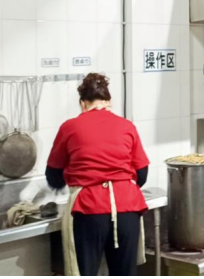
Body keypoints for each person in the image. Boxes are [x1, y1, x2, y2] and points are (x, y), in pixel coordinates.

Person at [46, 73, 150, 276]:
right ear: (108, 101)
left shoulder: (70, 127)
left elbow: (53, 176)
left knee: (86, 272)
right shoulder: (126, 126)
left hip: (89, 209)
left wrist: (71, 177)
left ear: (82, 103)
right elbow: (142, 173)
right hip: (127, 208)